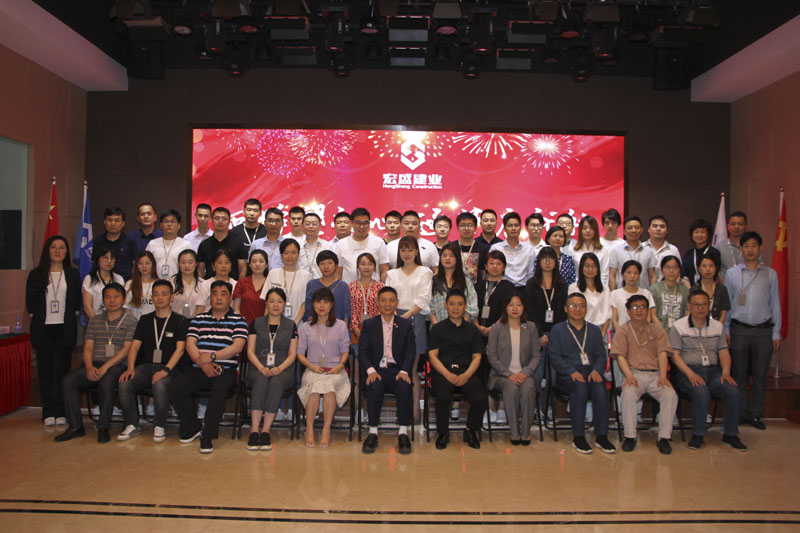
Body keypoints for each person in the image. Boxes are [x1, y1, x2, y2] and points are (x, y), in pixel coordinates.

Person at [168, 280, 248, 453]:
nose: (218, 298)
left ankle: (208, 435)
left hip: (225, 370)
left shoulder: (239, 320)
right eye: (215, 294)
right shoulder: (199, 319)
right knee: (175, 387)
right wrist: (202, 363)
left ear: (230, 298)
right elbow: (190, 344)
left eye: (223, 294)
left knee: (218, 391)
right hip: (199, 368)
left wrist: (212, 357)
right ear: (209, 297)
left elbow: (237, 347)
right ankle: (193, 426)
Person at [56, 283, 137, 443]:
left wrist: (106, 366)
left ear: (124, 299)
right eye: (108, 297)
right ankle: (75, 427)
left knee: (106, 383)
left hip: (116, 365)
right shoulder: (94, 320)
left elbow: (126, 349)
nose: (112, 301)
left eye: (116, 297)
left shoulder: (131, 321)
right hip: (94, 363)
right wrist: (89, 367)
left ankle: (103, 426)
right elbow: (88, 347)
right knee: (68, 381)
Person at [668, 289, 747, 451]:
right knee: (701, 391)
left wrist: (726, 372)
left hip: (714, 372)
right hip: (688, 372)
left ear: (709, 306)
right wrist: (690, 374)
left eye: (704, 304)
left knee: (732, 390)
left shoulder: (717, 326)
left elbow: (723, 352)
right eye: (696, 304)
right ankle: (698, 435)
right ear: (689, 306)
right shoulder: (678, 327)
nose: (700, 308)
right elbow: (675, 356)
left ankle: (731, 435)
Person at [116, 280, 189, 443]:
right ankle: (131, 424)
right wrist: (130, 368)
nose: (160, 298)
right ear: (152, 298)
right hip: (146, 366)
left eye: (164, 294)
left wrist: (166, 370)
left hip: (170, 368)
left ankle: (159, 426)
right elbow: (134, 347)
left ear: (171, 297)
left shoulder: (181, 321)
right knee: (125, 382)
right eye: (156, 294)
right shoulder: (145, 320)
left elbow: (180, 350)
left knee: (160, 384)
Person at [724, 231, 781, 431]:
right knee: (739, 375)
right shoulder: (732, 274)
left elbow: (775, 304)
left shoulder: (770, 274)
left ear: (760, 248)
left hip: (763, 331)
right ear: (741, 248)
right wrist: (726, 329)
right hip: (738, 330)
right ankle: (740, 413)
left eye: (754, 246)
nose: (750, 250)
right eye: (746, 246)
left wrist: (776, 332)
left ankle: (755, 414)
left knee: (759, 375)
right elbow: (727, 304)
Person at [609, 294, 677, 455]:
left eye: (642, 307)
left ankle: (664, 438)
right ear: (628, 311)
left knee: (670, 395)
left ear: (648, 310)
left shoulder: (657, 329)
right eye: (634, 307)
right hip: (633, 374)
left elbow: (663, 353)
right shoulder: (623, 330)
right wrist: (629, 376)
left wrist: (663, 376)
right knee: (628, 393)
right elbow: (620, 356)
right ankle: (630, 436)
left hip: (656, 375)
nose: (639, 310)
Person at [548, 293, 615, 454]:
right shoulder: (557, 330)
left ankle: (601, 436)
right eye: (573, 306)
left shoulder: (594, 330)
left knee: (600, 389)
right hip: (567, 375)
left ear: (586, 309)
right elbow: (555, 357)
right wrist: (571, 371)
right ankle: (578, 436)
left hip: (591, 372)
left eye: (581, 306)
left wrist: (597, 370)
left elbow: (601, 354)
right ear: (566, 309)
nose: (577, 309)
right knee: (580, 388)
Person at [26, 235, 81, 427]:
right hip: (44, 329)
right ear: (47, 250)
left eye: (62, 247)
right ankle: (48, 411)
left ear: (67, 252)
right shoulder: (36, 274)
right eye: (54, 247)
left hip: (64, 328)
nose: (58, 251)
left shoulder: (72, 274)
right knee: (46, 371)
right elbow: (31, 304)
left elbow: (75, 303)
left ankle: (61, 411)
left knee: (62, 371)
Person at [427, 289, 487, 450]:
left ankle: (470, 430)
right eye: (452, 304)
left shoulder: (472, 330)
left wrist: (466, 375)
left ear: (465, 306)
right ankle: (443, 432)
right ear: (446, 305)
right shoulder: (437, 329)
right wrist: (447, 374)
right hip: (443, 373)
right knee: (442, 396)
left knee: (480, 397)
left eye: (459, 304)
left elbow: (477, 357)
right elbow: (432, 356)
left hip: (467, 373)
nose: (455, 308)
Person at [359, 286, 416, 455]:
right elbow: (363, 352)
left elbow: (410, 351)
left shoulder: (405, 324)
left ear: (397, 302)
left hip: (397, 370)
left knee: (404, 386)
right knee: (374, 386)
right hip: (376, 370)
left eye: (391, 300)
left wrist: (404, 371)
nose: (387, 304)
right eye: (383, 300)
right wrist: (371, 371)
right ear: (377, 303)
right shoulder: (369, 324)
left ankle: (403, 433)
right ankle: (373, 432)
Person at [296, 287, 352, 448]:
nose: (321, 305)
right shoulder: (306, 326)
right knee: (314, 386)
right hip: (312, 369)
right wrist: (311, 366)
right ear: (313, 304)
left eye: (325, 302)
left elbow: (345, 351)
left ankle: (326, 429)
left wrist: (340, 365)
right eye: (318, 302)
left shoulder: (340, 326)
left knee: (329, 386)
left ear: (331, 304)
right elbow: (300, 354)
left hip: (335, 371)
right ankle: (309, 429)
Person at [386, 236, 433, 422]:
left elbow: (424, 298)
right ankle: (402, 410)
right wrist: (395, 315)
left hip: (416, 319)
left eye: (410, 249)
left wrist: (406, 316)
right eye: (403, 250)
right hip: (394, 320)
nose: (406, 253)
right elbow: (388, 298)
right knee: (397, 367)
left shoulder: (425, 272)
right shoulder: (392, 274)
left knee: (411, 368)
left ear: (416, 252)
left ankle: (415, 410)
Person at [245, 288, 298, 451]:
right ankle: (254, 430)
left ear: (284, 304)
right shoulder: (256, 323)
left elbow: (292, 354)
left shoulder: (291, 325)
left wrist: (279, 368)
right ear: (266, 303)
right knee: (261, 381)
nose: (276, 305)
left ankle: (266, 431)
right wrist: (261, 367)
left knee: (276, 382)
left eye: (280, 301)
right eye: (272, 301)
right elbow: (250, 351)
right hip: (257, 368)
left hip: (283, 370)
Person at [486, 290, 541, 445]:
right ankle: (514, 432)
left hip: (525, 374)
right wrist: (509, 374)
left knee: (528, 388)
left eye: (518, 305)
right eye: (511, 305)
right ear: (505, 307)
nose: (515, 308)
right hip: (501, 376)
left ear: (524, 307)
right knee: (510, 387)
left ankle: (526, 432)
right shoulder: (497, 328)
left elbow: (536, 356)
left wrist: (524, 373)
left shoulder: (531, 328)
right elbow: (492, 356)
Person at [525, 247, 568, 348]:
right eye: (544, 259)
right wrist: (540, 334)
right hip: (535, 333)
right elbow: (529, 311)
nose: (547, 262)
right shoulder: (531, 283)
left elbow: (563, 312)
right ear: (539, 261)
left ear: (556, 262)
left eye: (551, 259)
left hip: (557, 334)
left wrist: (554, 334)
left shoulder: (562, 284)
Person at [335, 207, 390, 283]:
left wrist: (382, 287)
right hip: (348, 288)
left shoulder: (378, 242)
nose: (362, 226)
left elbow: (384, 270)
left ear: (369, 223)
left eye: (365, 223)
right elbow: (338, 272)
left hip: (374, 289)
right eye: (358, 223)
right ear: (352, 223)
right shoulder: (341, 244)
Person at [430, 242, 479, 324]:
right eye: (444, 255)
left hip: (462, 327)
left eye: (451, 255)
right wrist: (438, 327)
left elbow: (472, 305)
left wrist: (462, 326)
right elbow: (429, 307)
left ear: (457, 258)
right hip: (438, 326)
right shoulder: (433, 280)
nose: (447, 258)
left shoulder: (466, 280)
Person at [265, 239, 311, 325]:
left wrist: (296, 322)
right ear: (281, 254)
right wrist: (266, 324)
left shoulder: (306, 275)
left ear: (298, 254)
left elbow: (305, 302)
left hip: (297, 324)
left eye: (293, 253)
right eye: (286, 253)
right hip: (274, 323)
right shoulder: (273, 273)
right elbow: (267, 301)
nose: (290, 256)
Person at [197, 207, 247, 280]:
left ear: (229, 221)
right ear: (211, 220)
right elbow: (200, 271)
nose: (220, 221)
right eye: (217, 218)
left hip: (232, 285)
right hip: (209, 285)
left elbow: (242, 270)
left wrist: (239, 286)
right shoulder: (204, 245)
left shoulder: (238, 243)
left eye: (224, 219)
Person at [568, 252, 611, 338]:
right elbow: (570, 311)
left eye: (594, 266)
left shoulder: (605, 289)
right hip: (579, 330)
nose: (590, 269)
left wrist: (602, 334)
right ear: (581, 267)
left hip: (601, 331)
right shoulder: (573, 288)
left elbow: (609, 315)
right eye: (587, 266)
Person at [608, 215, 656, 290]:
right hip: (622, 294)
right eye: (630, 228)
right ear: (624, 231)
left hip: (643, 294)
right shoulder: (616, 251)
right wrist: (613, 294)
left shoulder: (648, 251)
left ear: (641, 230)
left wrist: (652, 294)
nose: (633, 230)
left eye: (637, 227)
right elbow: (612, 276)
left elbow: (652, 276)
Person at [475, 250, 516, 336]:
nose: (494, 266)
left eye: (498, 264)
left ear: (504, 267)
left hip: (501, 332)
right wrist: (477, 326)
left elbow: (508, 311)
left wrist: (493, 328)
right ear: (486, 266)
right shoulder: (478, 286)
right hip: (478, 331)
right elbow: (472, 308)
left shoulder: (509, 287)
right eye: (491, 263)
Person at [304, 250, 351, 324]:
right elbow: (308, 310)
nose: (326, 266)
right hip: (317, 327)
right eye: (322, 263)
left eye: (329, 263)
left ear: (336, 266)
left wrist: (344, 328)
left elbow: (346, 312)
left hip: (338, 327)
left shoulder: (343, 286)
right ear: (318, 266)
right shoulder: (312, 284)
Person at [490, 212, 535, 287]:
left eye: (516, 225)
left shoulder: (529, 249)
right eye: (510, 226)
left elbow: (531, 273)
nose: (513, 228)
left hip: (523, 288)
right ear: (504, 229)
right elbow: (492, 272)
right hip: (502, 288)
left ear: (520, 228)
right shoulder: (496, 248)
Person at [610, 260, 657, 331]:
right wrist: (621, 334)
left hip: (642, 333)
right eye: (629, 273)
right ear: (622, 275)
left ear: (639, 275)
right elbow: (614, 319)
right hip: (621, 332)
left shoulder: (646, 293)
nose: (632, 276)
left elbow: (648, 318)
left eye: (636, 273)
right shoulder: (615, 294)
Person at [82, 244, 124, 321]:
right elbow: (87, 308)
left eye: (112, 258)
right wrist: (98, 324)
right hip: (96, 322)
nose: (109, 261)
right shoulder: (90, 279)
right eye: (105, 258)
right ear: (98, 259)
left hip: (116, 322)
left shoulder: (119, 279)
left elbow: (123, 304)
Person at [146, 209, 192, 280]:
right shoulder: (152, 244)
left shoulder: (185, 245)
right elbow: (146, 264)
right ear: (161, 225)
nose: (169, 224)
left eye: (173, 221)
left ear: (179, 225)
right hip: (155, 283)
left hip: (178, 283)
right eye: (166, 221)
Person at [91, 207, 135, 280]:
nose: (113, 223)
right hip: (102, 282)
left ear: (123, 223)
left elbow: (135, 265)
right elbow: (94, 263)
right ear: (105, 222)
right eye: (109, 220)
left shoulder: (130, 241)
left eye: (117, 220)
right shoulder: (97, 241)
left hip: (125, 282)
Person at [349, 252, 384, 341]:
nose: (366, 267)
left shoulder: (381, 287)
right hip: (355, 330)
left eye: (370, 264)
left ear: (374, 267)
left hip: (377, 329)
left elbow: (383, 309)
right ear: (358, 266)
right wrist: (355, 328)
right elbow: (349, 310)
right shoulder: (350, 287)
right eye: (363, 264)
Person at [649, 255, 689, 333]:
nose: (671, 271)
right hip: (659, 332)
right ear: (662, 270)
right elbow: (652, 315)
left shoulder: (685, 290)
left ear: (679, 270)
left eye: (675, 267)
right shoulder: (654, 289)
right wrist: (662, 332)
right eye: (667, 267)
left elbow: (687, 313)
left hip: (680, 332)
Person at [681, 218, 722, 287]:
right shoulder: (688, 253)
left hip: (709, 288)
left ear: (708, 235)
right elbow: (683, 273)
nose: (699, 235)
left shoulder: (714, 252)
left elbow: (715, 273)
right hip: (690, 289)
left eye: (703, 232)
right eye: (696, 232)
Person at [232, 249, 269, 326]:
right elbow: (236, 307)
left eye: (261, 261)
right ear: (249, 264)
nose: (257, 264)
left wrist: (263, 326)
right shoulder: (242, 282)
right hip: (243, 325)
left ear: (267, 265)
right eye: (254, 261)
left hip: (263, 326)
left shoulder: (270, 283)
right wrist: (241, 324)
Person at [196, 249, 238, 314]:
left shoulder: (236, 285)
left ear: (231, 266)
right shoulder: (204, 285)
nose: (224, 266)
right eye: (219, 262)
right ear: (213, 266)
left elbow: (237, 310)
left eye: (227, 262)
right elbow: (199, 310)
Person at [571, 216, 608, 286]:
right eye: (585, 228)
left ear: (595, 230)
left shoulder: (603, 250)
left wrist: (599, 287)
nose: (588, 230)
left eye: (591, 228)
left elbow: (604, 273)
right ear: (580, 230)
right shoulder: (573, 250)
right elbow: (572, 273)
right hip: (578, 287)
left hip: (598, 288)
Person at [454, 212, 490, 284]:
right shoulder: (451, 247)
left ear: (475, 227)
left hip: (477, 288)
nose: (466, 228)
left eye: (470, 225)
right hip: (455, 287)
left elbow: (484, 272)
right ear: (458, 227)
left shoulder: (483, 248)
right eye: (463, 225)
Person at [693, 255, 730, 323]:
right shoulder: (694, 290)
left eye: (711, 266)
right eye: (704, 266)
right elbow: (691, 312)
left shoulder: (722, 289)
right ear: (699, 269)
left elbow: (723, 315)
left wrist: (716, 328)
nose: (708, 269)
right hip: (698, 326)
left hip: (718, 327)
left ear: (715, 268)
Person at [644, 215, 681, 282]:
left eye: (662, 226)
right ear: (648, 229)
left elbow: (678, 274)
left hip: (666, 288)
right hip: (643, 288)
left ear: (667, 230)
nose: (658, 229)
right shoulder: (641, 248)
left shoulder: (673, 250)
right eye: (655, 226)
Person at [249, 207, 285, 272]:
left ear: (282, 223)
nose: (273, 224)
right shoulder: (256, 244)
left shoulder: (287, 245)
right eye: (270, 221)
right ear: (265, 223)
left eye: (277, 221)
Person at [297, 212, 333, 278]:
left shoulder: (328, 246)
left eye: (314, 224)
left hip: (322, 283)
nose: (311, 227)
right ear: (302, 226)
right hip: (301, 283)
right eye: (307, 224)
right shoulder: (297, 246)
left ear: (320, 226)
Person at [125, 251, 157, 320]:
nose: (144, 266)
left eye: (147, 263)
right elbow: (126, 307)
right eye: (140, 263)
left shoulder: (158, 284)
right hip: (134, 323)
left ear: (153, 264)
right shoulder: (130, 284)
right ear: (137, 265)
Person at [171, 249, 202, 319]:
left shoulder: (203, 284)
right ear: (178, 264)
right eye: (183, 262)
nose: (187, 265)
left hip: (196, 322)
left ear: (196, 264)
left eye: (190, 262)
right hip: (175, 321)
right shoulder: (171, 283)